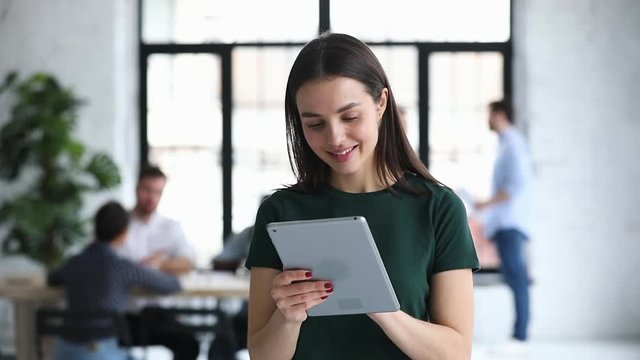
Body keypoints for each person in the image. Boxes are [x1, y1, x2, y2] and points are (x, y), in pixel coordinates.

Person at [244, 32, 480, 359]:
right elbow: (262, 356)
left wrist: (380, 305)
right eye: (315, 124)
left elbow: (455, 353)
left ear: (381, 103)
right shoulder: (280, 212)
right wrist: (287, 318)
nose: (336, 138)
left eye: (350, 117)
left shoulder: (438, 208)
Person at [48, 201, 182, 360]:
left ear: (95, 229)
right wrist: (159, 264)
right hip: (100, 351)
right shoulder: (123, 267)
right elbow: (171, 285)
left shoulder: (75, 262)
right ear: (124, 232)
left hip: (66, 351)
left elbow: (53, 278)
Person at [118, 165, 200, 360]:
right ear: (136, 188)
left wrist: (159, 264)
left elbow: (188, 262)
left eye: (157, 192)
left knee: (190, 344)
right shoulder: (120, 224)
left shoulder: (171, 227)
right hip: (126, 314)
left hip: (160, 314)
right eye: (147, 190)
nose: (151, 197)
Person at [474, 99, 532, 349]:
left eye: (489, 114)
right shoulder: (505, 144)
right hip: (504, 222)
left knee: (517, 278)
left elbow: (516, 186)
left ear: (499, 114)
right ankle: (518, 335)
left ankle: (520, 337)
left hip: (511, 223)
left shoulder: (513, 144)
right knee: (513, 277)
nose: (487, 120)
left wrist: (486, 205)